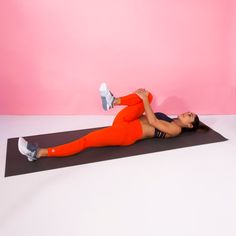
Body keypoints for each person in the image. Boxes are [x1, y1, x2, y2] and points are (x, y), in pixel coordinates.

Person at [18, 83, 206, 162]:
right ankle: (112, 101)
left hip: (128, 133)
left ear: (189, 125)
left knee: (86, 141)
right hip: (126, 121)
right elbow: (147, 109)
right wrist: (144, 99)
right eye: (189, 112)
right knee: (147, 94)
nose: (186, 113)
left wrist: (145, 102)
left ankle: (38, 153)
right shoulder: (171, 119)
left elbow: (152, 120)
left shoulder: (175, 129)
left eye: (189, 116)